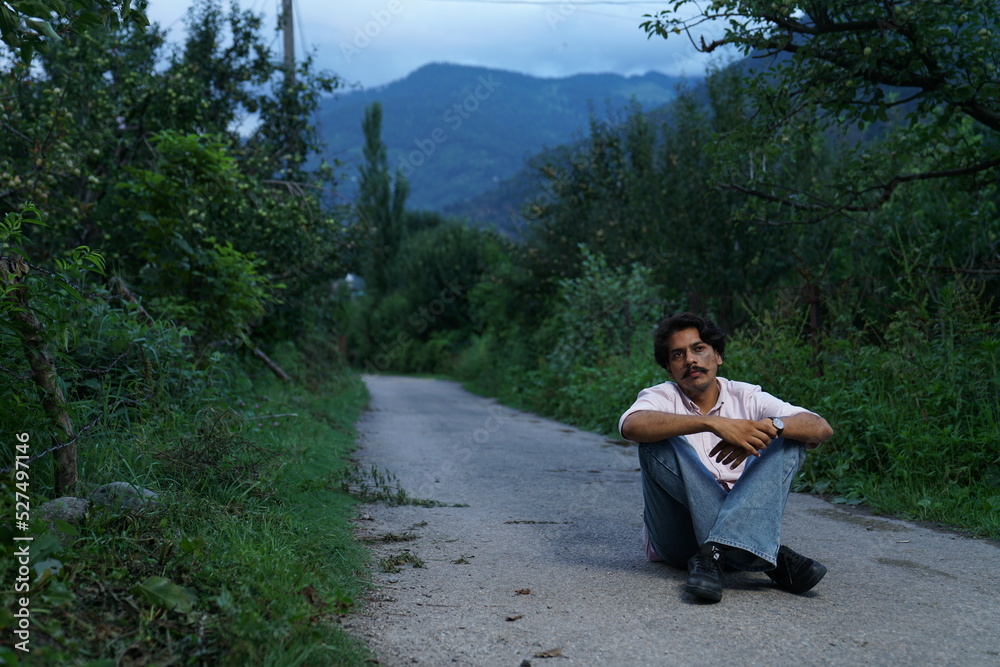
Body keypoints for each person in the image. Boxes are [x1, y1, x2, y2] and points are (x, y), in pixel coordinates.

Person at [618, 312, 834, 602]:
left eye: (699, 349)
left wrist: (771, 427)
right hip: (678, 539)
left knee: (790, 437)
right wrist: (712, 423)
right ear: (670, 370)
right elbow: (631, 426)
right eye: (678, 355)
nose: (691, 360)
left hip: (724, 530)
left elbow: (820, 427)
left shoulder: (746, 396)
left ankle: (715, 553)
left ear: (717, 356)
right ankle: (767, 554)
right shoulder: (662, 397)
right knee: (655, 441)